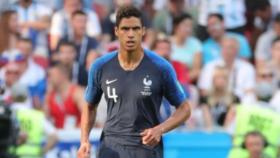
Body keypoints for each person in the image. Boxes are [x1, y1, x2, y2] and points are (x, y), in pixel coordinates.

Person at [78, 5, 191, 158]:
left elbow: (184, 109)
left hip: (145, 148)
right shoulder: (100, 66)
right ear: (116, 31)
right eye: (125, 29)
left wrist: (160, 129)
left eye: (135, 29)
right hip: (111, 147)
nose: (130, 34)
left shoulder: (161, 67)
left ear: (143, 31)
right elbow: (89, 106)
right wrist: (84, 140)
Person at [198, 35, 256, 103]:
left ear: (237, 50)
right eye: (225, 48)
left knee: (250, 98)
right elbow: (204, 90)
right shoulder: (209, 67)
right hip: (216, 102)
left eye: (231, 48)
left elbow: (250, 90)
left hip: (240, 103)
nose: (228, 51)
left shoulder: (248, 68)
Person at [45, 63, 85, 129]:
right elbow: (45, 119)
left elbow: (89, 116)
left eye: (51, 75)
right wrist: (48, 94)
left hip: (76, 135)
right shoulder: (50, 95)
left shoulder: (77, 93)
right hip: (58, 136)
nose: (48, 79)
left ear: (62, 76)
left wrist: (76, 131)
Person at [170, 13, 202, 82]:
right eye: (185, 25)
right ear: (176, 27)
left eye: (190, 26)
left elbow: (196, 70)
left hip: (186, 82)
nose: (188, 29)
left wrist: (181, 80)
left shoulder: (196, 44)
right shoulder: (167, 42)